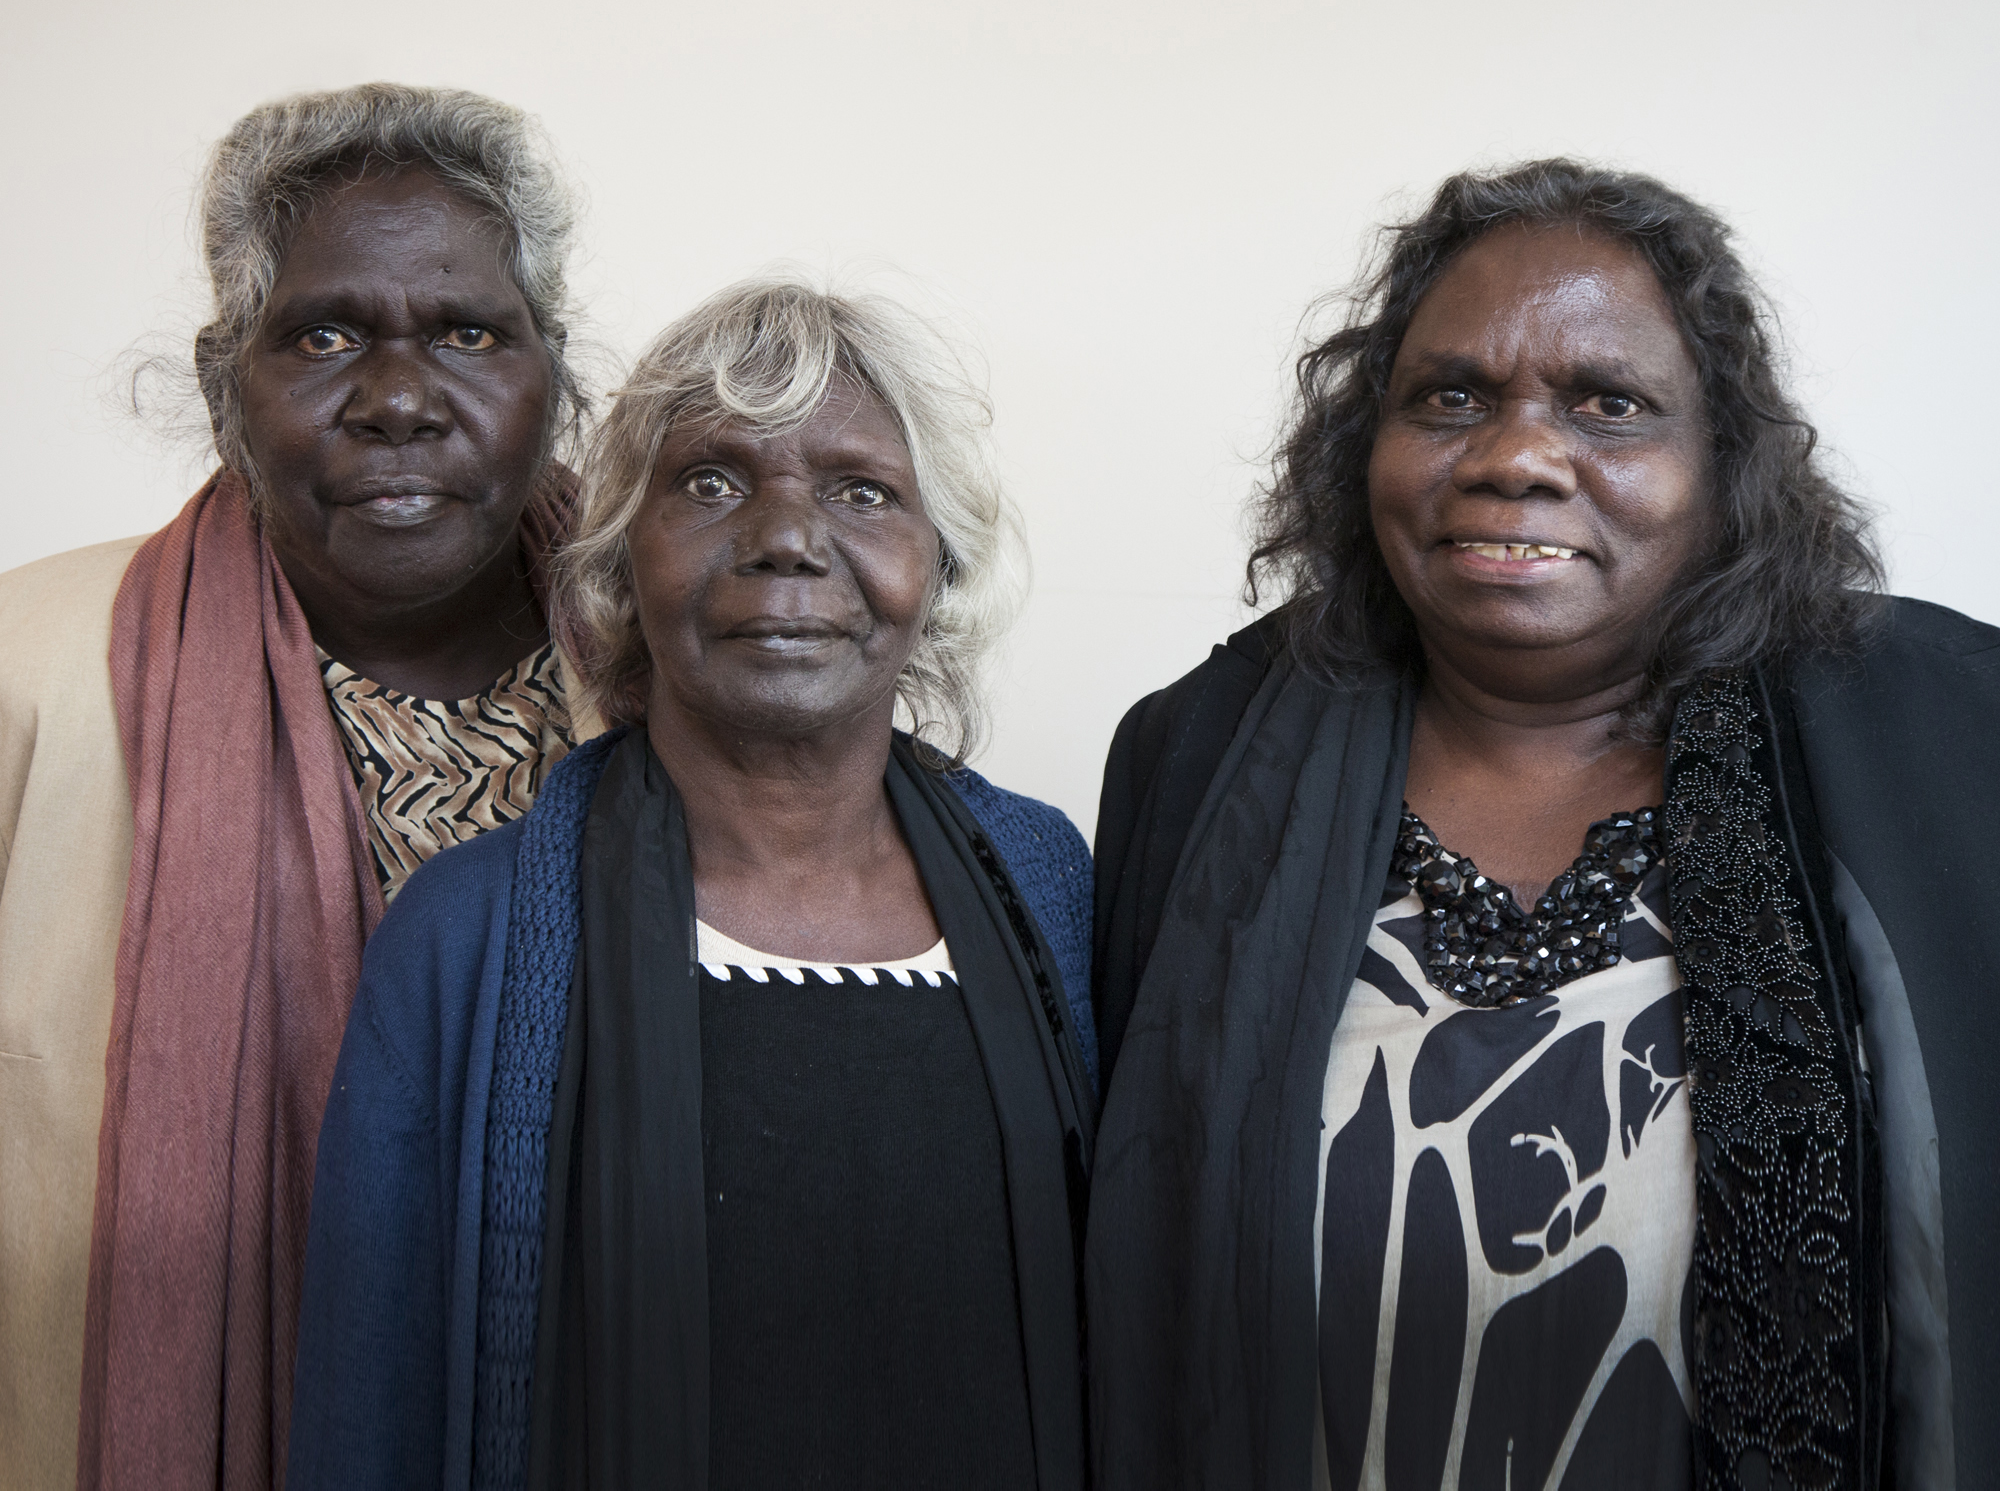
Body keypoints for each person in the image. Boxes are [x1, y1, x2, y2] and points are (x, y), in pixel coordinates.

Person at [1087, 160, 1997, 1491]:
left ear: (1720, 468)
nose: (1515, 456)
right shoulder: (1200, 761)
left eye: (1608, 405)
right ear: (1367, 450)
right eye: (1451, 398)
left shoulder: (1945, 747)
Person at [287, 280, 1098, 1491]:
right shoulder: (464, 932)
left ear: (938, 567)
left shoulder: (1050, 888)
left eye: (861, 491)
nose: (783, 534)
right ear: (621, 561)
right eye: (710, 482)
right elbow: (370, 1401)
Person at [0, 83, 600, 1491]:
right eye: (325, 335)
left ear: (551, 375)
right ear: (225, 388)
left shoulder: (683, 680)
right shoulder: (28, 675)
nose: (398, 398)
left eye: (467, 333)